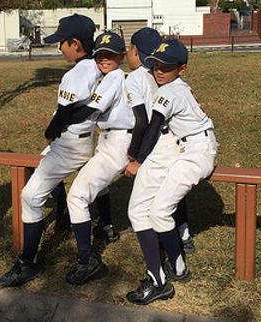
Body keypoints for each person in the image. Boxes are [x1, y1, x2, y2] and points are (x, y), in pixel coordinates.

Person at [0, 13, 101, 288]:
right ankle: (73, 219)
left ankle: (28, 263)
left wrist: (49, 131)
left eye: (62, 42)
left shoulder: (75, 74)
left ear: (75, 43)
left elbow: (65, 114)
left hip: (71, 144)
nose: (59, 48)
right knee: (41, 165)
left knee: (30, 196)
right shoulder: (99, 66)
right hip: (86, 138)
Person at [124, 39, 218, 305]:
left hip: (196, 151)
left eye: (167, 67)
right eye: (156, 65)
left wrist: (138, 160)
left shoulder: (169, 91)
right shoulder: (177, 87)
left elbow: (153, 126)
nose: (159, 71)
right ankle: (177, 268)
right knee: (156, 212)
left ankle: (163, 279)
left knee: (155, 211)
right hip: (189, 147)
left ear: (182, 68)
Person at [64, 31, 134, 285]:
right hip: (111, 138)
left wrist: (59, 121)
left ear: (121, 56)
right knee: (97, 183)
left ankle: (87, 260)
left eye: (110, 54)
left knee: (77, 196)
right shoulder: (115, 76)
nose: (104, 59)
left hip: (117, 141)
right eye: (100, 55)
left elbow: (90, 110)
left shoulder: (113, 78)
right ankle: (106, 226)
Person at [125, 28, 195, 254]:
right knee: (173, 188)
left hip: (155, 141)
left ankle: (162, 247)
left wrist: (135, 155)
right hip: (178, 139)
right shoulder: (167, 74)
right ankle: (183, 233)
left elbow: (142, 121)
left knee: (147, 200)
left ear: (135, 51)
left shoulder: (136, 77)